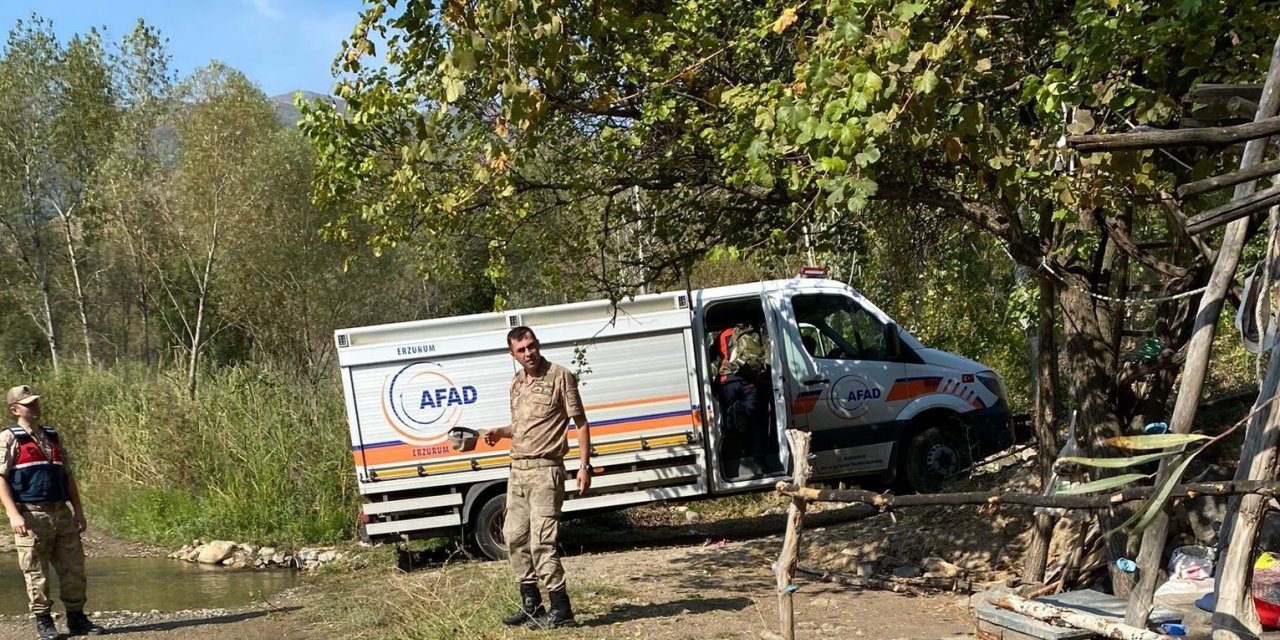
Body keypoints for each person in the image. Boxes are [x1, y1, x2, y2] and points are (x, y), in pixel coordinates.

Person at [481, 326, 592, 630]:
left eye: (531, 346)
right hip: (517, 471)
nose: (528, 353)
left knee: (542, 542)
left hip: (546, 471)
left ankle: (561, 609)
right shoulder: (516, 383)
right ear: (512, 354)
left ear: (538, 345)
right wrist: (498, 432)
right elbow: (519, 427)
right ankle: (532, 605)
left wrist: (585, 467)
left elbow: (580, 423)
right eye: (521, 350)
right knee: (513, 537)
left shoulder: (560, 376)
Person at [0, 385, 104, 639]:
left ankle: (77, 619)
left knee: (73, 568)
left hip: (61, 513)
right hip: (31, 515)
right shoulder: (8, 438)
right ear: (15, 410)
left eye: (36, 402)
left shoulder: (51, 435)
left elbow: (67, 476)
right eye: (28, 404)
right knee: (35, 571)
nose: (35, 407)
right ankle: (44, 621)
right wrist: (13, 515)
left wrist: (78, 510)